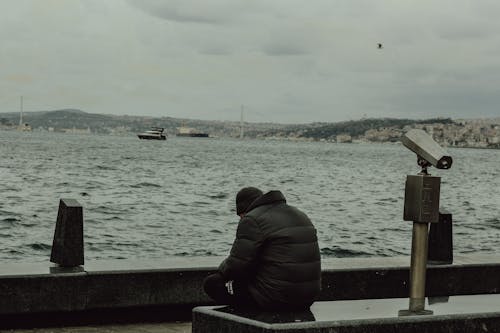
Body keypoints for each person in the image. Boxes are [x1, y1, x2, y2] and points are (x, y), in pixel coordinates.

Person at [203, 187, 321, 310]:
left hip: (276, 299)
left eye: (240, 216)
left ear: (244, 210)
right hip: (308, 297)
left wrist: (222, 270)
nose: (240, 220)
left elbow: (236, 266)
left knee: (213, 283)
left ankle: (244, 320)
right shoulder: (299, 213)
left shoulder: (252, 219)